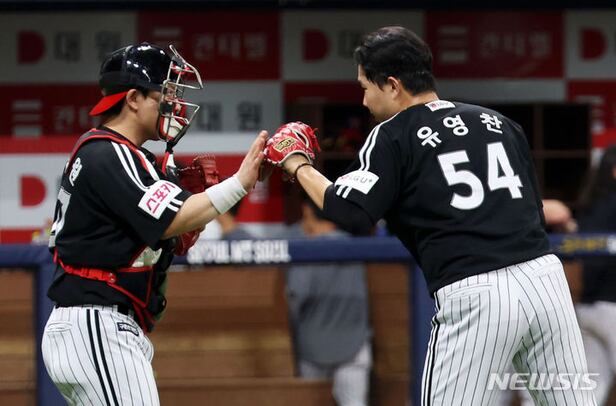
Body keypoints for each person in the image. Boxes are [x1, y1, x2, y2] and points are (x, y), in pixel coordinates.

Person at [263, 27, 596, 405]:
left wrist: (298, 164)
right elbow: (533, 208)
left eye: (365, 87)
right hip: (545, 281)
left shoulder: (392, 134)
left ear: (392, 85)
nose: (364, 99)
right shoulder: (498, 122)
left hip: (475, 291)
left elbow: (350, 211)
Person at [41, 42, 266, 405]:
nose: (174, 104)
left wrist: (205, 204)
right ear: (133, 98)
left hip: (100, 323)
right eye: (166, 93)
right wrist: (241, 182)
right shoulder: (109, 152)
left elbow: (175, 233)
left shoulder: (120, 153)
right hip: (96, 321)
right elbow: (172, 220)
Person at [285, 198, 372, 406]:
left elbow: (296, 297)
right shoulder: (354, 245)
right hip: (355, 344)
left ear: (307, 211)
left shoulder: (308, 250)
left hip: (313, 346)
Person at [574, 145, 616, 405]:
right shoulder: (610, 203)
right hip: (611, 307)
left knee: (588, 393)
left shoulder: (591, 203)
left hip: (588, 308)